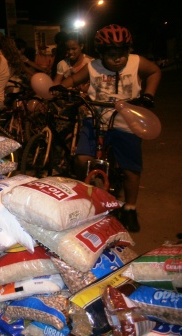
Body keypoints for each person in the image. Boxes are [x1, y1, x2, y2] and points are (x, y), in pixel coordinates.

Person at [50, 24, 161, 232]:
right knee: (81, 159)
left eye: (122, 53)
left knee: (131, 169)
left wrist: (149, 95)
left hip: (127, 122)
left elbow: (154, 71)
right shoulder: (93, 67)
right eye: (111, 54)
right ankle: (87, 197)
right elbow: (74, 79)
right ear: (101, 54)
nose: (117, 58)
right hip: (96, 118)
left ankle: (130, 208)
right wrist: (61, 87)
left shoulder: (136, 62)